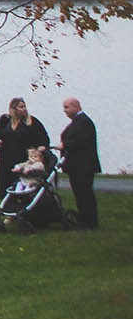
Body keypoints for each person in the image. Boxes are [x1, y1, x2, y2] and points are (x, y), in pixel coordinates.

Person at [0, 97, 51, 197]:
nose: (24, 109)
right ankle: (6, 200)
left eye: (24, 106)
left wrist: (42, 147)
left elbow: (43, 138)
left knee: (23, 180)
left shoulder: (32, 122)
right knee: (6, 180)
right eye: (20, 107)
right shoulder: (4, 120)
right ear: (13, 109)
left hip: (23, 156)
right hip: (6, 157)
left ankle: (25, 197)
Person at [59, 96, 100, 229]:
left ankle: (89, 222)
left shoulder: (84, 122)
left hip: (83, 166)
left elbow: (82, 141)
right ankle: (84, 219)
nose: (64, 111)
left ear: (76, 106)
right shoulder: (77, 122)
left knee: (85, 194)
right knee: (80, 194)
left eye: (66, 107)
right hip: (75, 166)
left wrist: (64, 145)